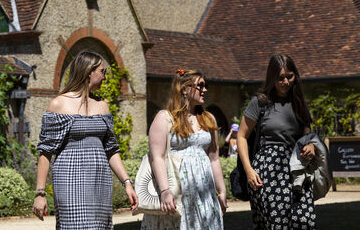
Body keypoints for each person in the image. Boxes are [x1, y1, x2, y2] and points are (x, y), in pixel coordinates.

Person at [32, 51, 138, 229]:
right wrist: (40, 193)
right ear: (89, 72)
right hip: (69, 178)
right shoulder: (59, 104)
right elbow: (45, 151)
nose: (105, 77)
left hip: (99, 179)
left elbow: (111, 149)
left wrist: (127, 182)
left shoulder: (102, 105)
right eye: (102, 72)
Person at [236, 54, 317, 229]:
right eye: (280, 78)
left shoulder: (298, 102)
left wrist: (310, 145)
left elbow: (306, 134)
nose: (286, 82)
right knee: (277, 224)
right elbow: (241, 136)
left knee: (305, 221)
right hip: (269, 171)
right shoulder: (260, 102)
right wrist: (249, 170)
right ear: (272, 78)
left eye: (290, 76)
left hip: (296, 169)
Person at [142, 69, 226, 229]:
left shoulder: (208, 119)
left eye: (206, 85)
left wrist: (221, 190)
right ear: (185, 89)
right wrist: (165, 191)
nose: (205, 90)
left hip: (204, 195)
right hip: (176, 193)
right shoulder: (165, 118)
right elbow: (156, 157)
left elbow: (214, 158)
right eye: (200, 85)